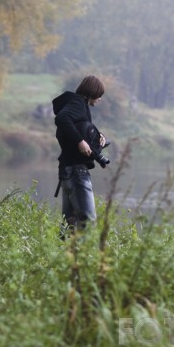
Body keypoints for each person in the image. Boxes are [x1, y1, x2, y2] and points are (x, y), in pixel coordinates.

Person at [52, 75, 106, 237]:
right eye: (99, 95)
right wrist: (80, 141)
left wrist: (98, 135)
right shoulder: (77, 103)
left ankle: (65, 260)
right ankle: (86, 260)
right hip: (76, 172)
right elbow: (62, 119)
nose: (100, 99)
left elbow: (79, 125)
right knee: (88, 221)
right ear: (92, 92)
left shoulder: (75, 104)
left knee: (70, 224)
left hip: (68, 171)